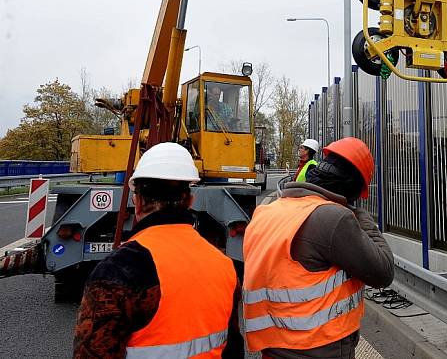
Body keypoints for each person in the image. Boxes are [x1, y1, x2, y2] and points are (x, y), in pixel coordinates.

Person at [74, 142, 243, 359]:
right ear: (190, 201)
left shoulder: (118, 270)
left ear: (137, 201)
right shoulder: (224, 266)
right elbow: (234, 349)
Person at [242, 137, 394, 359]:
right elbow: (383, 271)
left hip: (273, 347)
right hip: (318, 347)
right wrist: (358, 213)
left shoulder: (267, 212)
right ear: (353, 189)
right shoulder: (334, 218)